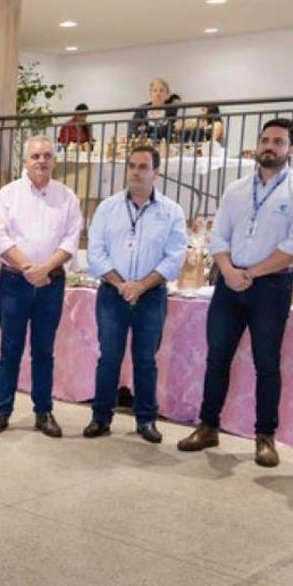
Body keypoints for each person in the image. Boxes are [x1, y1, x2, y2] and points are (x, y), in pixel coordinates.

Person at [177, 118, 293, 467]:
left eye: (278, 141)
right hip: (229, 283)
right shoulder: (237, 189)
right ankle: (208, 426)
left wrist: (252, 273)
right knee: (217, 359)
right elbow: (219, 237)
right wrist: (229, 271)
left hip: (271, 285)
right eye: (265, 139)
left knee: (267, 363)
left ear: (291, 149)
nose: (270, 146)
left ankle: (265, 437)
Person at [84, 145, 189, 443]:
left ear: (156, 172)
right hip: (111, 293)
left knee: (145, 360)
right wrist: (121, 284)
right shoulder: (108, 208)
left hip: (151, 295)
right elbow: (96, 252)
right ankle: (100, 417)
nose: (135, 172)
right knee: (109, 358)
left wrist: (140, 286)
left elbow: (174, 257)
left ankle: (146, 420)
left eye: (143, 167)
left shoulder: (171, 212)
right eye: (131, 166)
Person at [0, 136, 82, 439]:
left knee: (43, 350)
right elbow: (0, 239)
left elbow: (70, 241)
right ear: (25, 161)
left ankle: (43, 412)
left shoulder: (67, 198)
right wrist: (29, 269)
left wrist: (44, 270)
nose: (42, 161)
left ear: (54, 161)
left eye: (47, 156)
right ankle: (2, 410)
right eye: (36, 156)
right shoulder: (7, 195)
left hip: (51, 283)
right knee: (10, 349)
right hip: (14, 281)